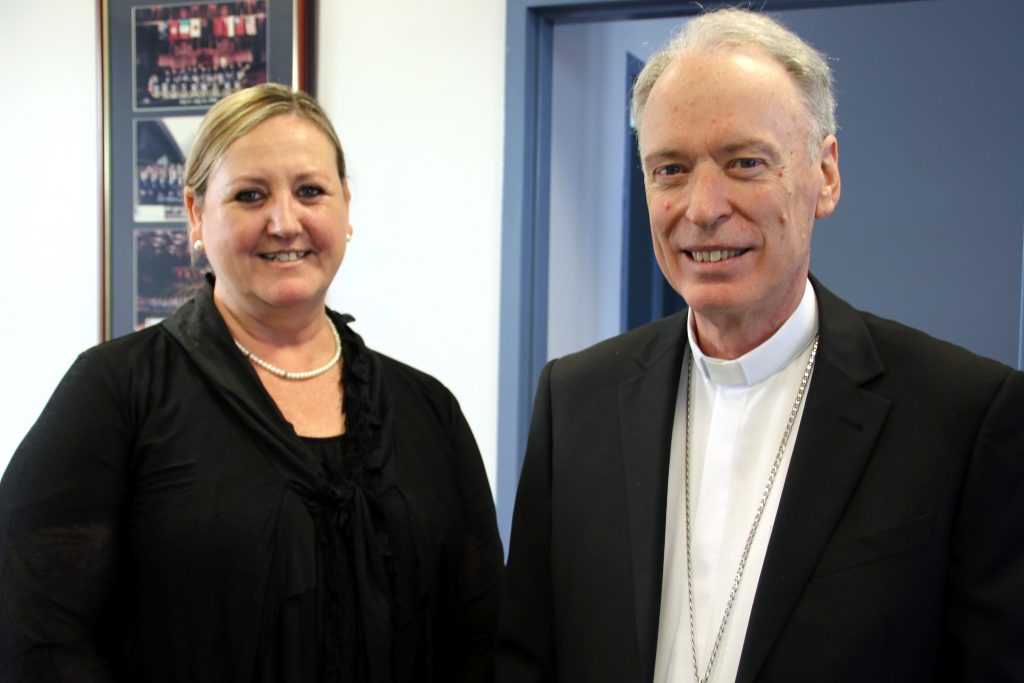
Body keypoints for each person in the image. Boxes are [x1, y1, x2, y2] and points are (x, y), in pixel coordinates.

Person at [497, 8, 1024, 682]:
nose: (703, 206)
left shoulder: (964, 415)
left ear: (824, 175)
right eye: (670, 169)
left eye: (745, 162)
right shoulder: (574, 400)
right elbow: (527, 659)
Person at [0, 83, 503, 682]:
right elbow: (38, 637)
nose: (284, 222)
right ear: (195, 214)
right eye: (249, 195)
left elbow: (483, 635)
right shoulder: (115, 393)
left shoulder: (427, 410)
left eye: (310, 191)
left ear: (346, 206)